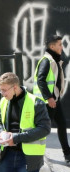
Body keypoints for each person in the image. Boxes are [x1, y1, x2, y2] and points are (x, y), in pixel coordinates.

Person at [0, 72, 51, 172]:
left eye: (4, 90)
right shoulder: (3, 101)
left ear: (15, 87)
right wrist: (2, 131)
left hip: (28, 157)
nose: (2, 93)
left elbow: (44, 129)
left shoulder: (36, 102)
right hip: (8, 154)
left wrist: (16, 137)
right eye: (0, 90)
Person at [33, 34, 70, 164]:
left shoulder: (54, 60)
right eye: (59, 45)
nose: (61, 47)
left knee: (62, 124)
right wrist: (49, 98)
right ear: (52, 46)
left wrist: (54, 97)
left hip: (54, 100)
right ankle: (35, 154)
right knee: (42, 129)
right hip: (46, 102)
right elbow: (41, 80)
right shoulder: (46, 61)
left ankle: (67, 154)